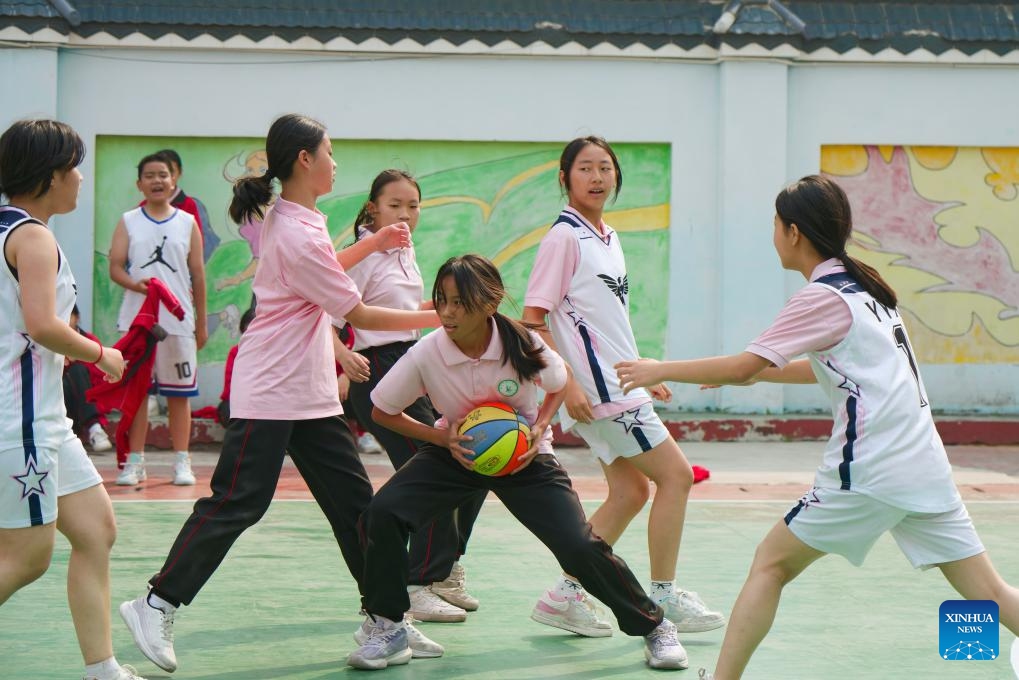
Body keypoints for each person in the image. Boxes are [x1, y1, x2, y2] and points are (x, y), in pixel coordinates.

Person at [616, 175, 1019, 680]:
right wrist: (742, 372)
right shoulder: (871, 291)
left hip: (869, 469)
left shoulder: (822, 297)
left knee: (770, 564)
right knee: (990, 592)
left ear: (793, 231)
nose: (773, 233)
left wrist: (662, 369)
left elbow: (744, 365)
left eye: (774, 224)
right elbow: (821, 366)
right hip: (925, 467)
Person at [118, 113, 440, 675]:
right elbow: (356, 310)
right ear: (305, 160)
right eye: (331, 153)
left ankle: (385, 620)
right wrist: (447, 317)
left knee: (358, 509)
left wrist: (376, 244)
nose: (337, 163)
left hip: (310, 392)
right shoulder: (292, 227)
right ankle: (156, 604)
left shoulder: (303, 220)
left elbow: (324, 276)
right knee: (238, 501)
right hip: (270, 389)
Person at [349, 254, 688, 671]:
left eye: (460, 303)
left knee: (579, 545)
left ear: (489, 305)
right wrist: (441, 437)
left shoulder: (521, 343)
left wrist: (539, 426)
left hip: (524, 456)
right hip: (457, 452)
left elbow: (559, 383)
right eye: (443, 301)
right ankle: (387, 625)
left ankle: (655, 626)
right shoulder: (428, 351)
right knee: (382, 513)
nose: (448, 312)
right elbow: (383, 410)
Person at [522, 136, 725, 635]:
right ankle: (663, 596)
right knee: (675, 477)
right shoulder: (563, 238)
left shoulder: (609, 238)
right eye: (585, 168)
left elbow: (603, 321)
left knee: (631, 492)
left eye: (605, 168)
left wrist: (642, 371)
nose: (597, 177)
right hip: (598, 394)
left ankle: (564, 596)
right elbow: (532, 320)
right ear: (565, 178)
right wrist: (566, 383)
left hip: (620, 386)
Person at [0, 119, 141, 680]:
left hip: (47, 421)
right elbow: (41, 326)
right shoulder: (31, 237)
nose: (81, 178)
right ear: (52, 174)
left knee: (95, 530)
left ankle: (101, 667)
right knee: (26, 558)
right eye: (74, 166)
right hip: (23, 423)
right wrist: (100, 353)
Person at [340, 169, 485, 622]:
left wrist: (457, 306)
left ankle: (442, 571)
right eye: (395, 205)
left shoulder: (405, 250)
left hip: (414, 361)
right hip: (379, 369)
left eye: (413, 205)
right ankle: (417, 582)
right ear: (372, 208)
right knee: (435, 467)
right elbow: (330, 315)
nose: (405, 214)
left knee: (473, 458)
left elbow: (401, 310)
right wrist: (341, 357)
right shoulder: (365, 253)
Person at [109, 153, 208, 487]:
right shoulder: (128, 220)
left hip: (178, 324)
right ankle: (134, 462)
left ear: (174, 180)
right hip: (137, 322)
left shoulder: (187, 223)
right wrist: (134, 284)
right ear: (139, 184)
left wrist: (202, 323)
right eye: (149, 175)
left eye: (162, 175)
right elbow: (115, 266)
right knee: (138, 395)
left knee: (179, 396)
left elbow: (198, 275)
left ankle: (182, 461)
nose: (156, 180)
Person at [156, 149, 219, 262]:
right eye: (159, 173)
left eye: (171, 172)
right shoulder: (143, 207)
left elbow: (204, 245)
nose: (164, 178)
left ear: (179, 173)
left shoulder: (192, 206)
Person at [65, 304, 113, 452]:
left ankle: (95, 429)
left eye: (68, 316)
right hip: (62, 403)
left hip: (85, 401)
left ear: (77, 318)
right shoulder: (45, 341)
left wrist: (76, 359)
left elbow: (99, 375)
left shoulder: (89, 340)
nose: (64, 321)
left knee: (78, 371)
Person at [216, 306, 254, 426]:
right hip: (238, 401)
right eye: (247, 331)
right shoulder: (236, 352)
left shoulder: (273, 352)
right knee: (229, 412)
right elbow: (229, 388)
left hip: (263, 403)